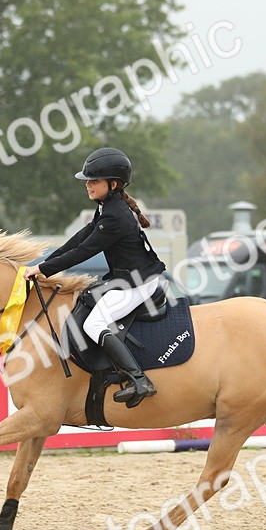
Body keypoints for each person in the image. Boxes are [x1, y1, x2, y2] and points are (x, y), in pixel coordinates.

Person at [22, 147, 166, 407]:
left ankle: (139, 380)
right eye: (88, 180)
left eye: (94, 180)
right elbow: (82, 237)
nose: (88, 185)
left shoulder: (116, 216)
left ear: (113, 184)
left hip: (137, 284)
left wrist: (43, 270)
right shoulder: (109, 206)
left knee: (94, 325)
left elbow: (85, 251)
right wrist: (45, 261)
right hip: (127, 278)